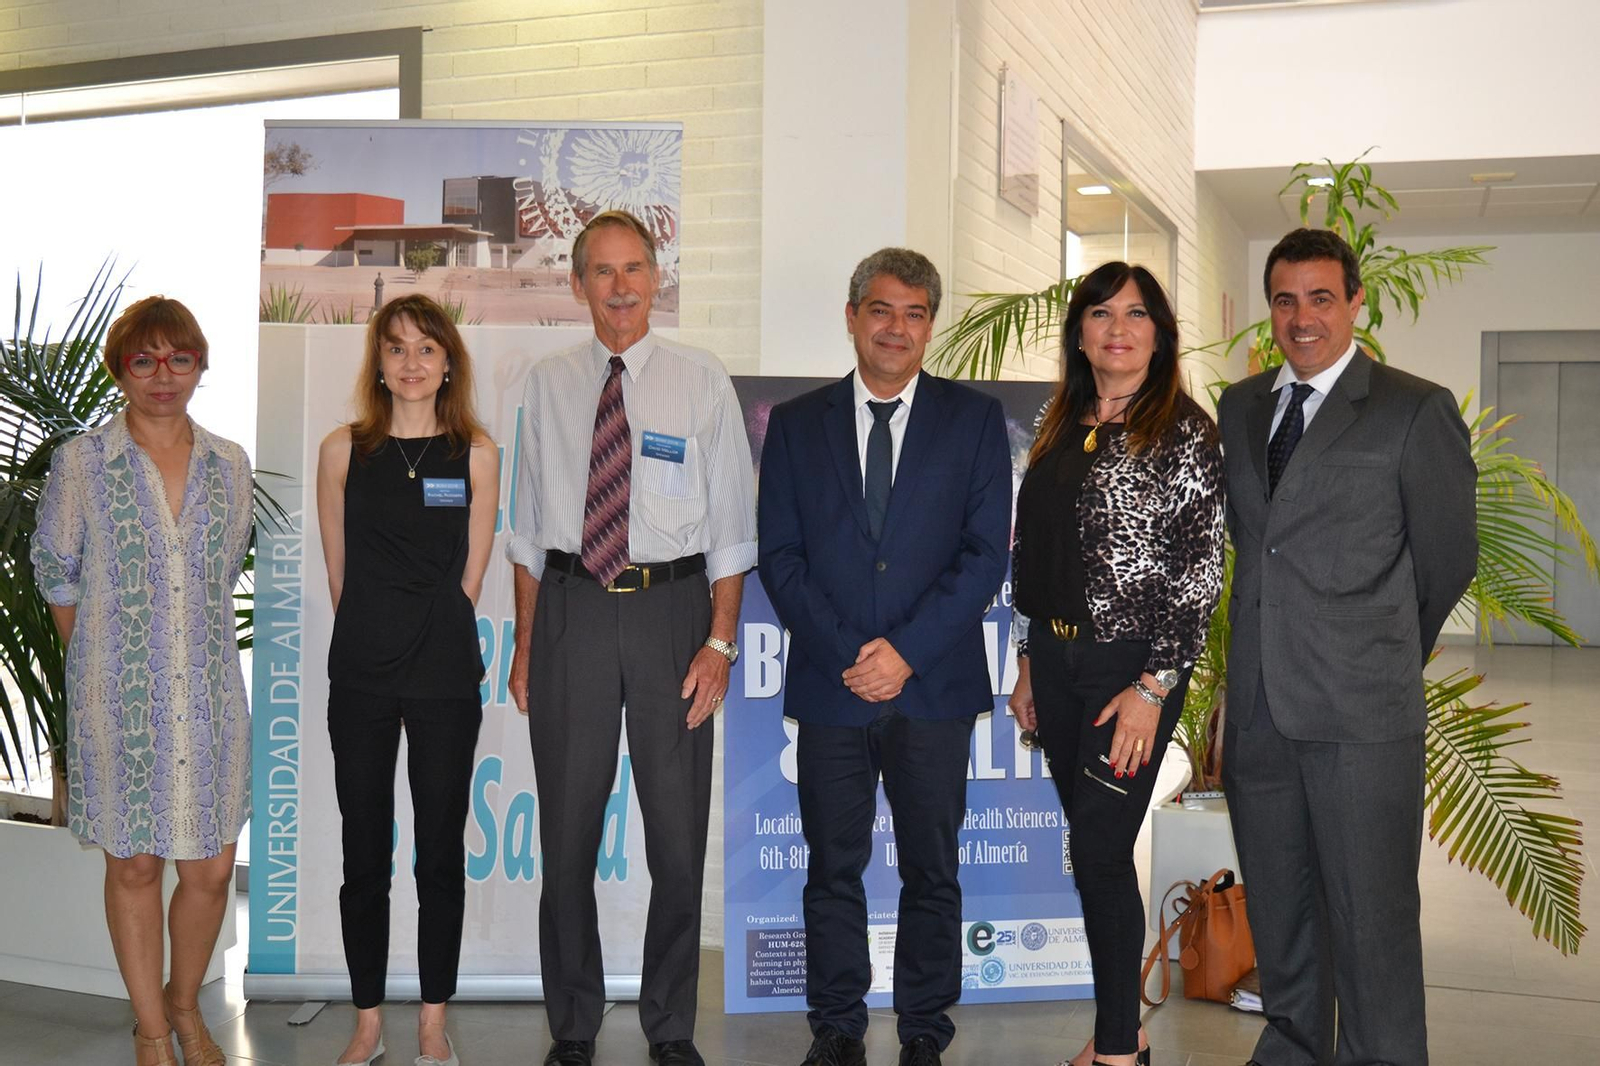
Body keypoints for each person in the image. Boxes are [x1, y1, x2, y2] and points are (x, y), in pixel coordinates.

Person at [1218, 227, 1477, 1066]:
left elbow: (1446, 562)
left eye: (1321, 297)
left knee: (1372, 924)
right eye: (1286, 300)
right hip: (1261, 713)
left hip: (1362, 715)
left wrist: (1381, 650)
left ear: (1355, 303)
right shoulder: (1244, 405)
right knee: (1285, 918)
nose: (1303, 318)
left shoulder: (1412, 408)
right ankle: (1295, 1048)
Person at [505, 209, 757, 1066]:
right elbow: (530, 529)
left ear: (657, 279)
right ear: (578, 285)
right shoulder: (546, 383)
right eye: (601, 272)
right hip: (573, 610)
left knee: (678, 838)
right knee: (567, 834)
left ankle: (670, 1027)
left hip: (672, 614)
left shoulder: (701, 380)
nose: (619, 287)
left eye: (634, 269)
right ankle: (572, 1026)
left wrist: (719, 644)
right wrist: (527, 644)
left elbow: (731, 529)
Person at [758, 247, 1011, 1066]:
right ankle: (836, 1026)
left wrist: (901, 653)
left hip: (931, 687)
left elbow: (983, 558)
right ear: (852, 316)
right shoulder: (796, 426)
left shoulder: (973, 422)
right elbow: (781, 556)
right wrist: (851, 655)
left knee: (932, 871)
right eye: (881, 310)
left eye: (914, 314)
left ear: (930, 326)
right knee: (833, 869)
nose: (896, 328)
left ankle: (924, 1031)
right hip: (833, 690)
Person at [1006, 262, 1225, 1066]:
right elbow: (1035, 550)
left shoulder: (1184, 432)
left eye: (1136, 315)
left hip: (1133, 670)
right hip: (1057, 662)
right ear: (1081, 332)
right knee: (1091, 850)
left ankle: (1116, 1054)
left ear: (1160, 333)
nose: (1119, 329)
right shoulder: (1058, 418)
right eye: (1101, 314)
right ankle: (1122, 1028)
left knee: (1098, 851)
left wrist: (1152, 687)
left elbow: (1200, 574)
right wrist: (1030, 657)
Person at [32, 296, 253, 1066]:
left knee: (212, 867)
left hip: (211, 695)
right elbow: (56, 570)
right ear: (121, 370)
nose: (164, 375)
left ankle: (185, 1003)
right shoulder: (83, 463)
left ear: (200, 365)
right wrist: (95, 661)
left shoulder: (230, 462)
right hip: (114, 696)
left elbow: (220, 572)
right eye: (144, 360)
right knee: (134, 862)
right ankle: (152, 1029)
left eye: (179, 358)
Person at [316, 295, 498, 1066]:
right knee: (364, 854)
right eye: (396, 349)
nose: (412, 362)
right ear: (378, 364)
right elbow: (338, 566)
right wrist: (374, 629)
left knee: (438, 857)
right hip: (360, 670)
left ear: (448, 360)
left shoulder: (477, 454)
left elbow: (474, 572)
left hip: (444, 674)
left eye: (427, 348)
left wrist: (428, 635)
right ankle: (366, 1021)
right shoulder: (342, 450)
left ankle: (431, 1018)